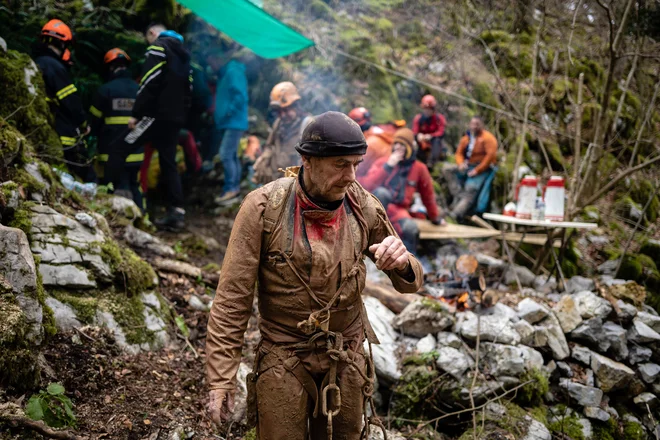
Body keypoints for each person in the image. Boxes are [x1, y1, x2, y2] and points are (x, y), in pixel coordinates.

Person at [207, 112, 424, 439]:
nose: (351, 175)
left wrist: (402, 262)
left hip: (345, 356)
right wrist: (221, 379)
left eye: (356, 163)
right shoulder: (264, 208)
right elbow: (231, 300)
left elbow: (411, 280)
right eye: (340, 164)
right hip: (284, 356)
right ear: (307, 160)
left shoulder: (363, 206)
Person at [105, 23, 192, 231]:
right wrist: (180, 117)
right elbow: (189, 90)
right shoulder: (184, 56)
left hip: (153, 116)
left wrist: (137, 114)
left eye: (148, 38)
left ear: (153, 33)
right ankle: (177, 213)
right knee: (168, 162)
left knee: (119, 147)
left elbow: (148, 82)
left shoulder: (158, 47)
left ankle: (107, 194)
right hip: (174, 120)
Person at [360, 128, 441, 255]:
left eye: (402, 144)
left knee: (410, 229)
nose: (398, 147)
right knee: (382, 193)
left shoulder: (419, 168)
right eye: (396, 143)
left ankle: (407, 265)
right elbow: (366, 185)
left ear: (410, 148)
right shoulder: (383, 161)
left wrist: (435, 218)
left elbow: (428, 196)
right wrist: (388, 167)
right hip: (377, 208)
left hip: (397, 210)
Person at [34, 19, 94, 181]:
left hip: (46, 125)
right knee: (81, 167)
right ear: (62, 44)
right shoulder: (55, 67)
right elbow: (70, 100)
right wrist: (83, 122)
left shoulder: (38, 61)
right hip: (61, 128)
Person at [88, 48, 143, 208]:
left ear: (110, 68)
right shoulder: (139, 90)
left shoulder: (105, 90)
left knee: (112, 191)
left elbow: (93, 124)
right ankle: (143, 221)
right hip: (136, 155)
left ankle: (118, 226)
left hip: (110, 156)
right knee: (134, 187)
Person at [204, 50, 249, 206]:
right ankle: (233, 188)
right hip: (230, 122)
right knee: (231, 155)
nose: (211, 66)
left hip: (234, 122)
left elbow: (240, 96)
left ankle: (231, 188)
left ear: (219, 58)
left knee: (225, 154)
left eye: (212, 62)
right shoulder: (226, 73)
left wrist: (228, 112)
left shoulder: (233, 71)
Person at [252, 81, 312, 185]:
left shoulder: (308, 125)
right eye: (279, 111)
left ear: (296, 106)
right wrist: (263, 161)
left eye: (286, 110)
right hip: (277, 182)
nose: (282, 115)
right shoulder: (279, 124)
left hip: (298, 185)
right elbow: (270, 146)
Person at [443, 117, 498, 221]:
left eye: (477, 124)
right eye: (472, 124)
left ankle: (456, 213)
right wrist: (460, 164)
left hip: (482, 168)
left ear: (481, 125)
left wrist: (477, 170)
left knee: (470, 188)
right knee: (447, 170)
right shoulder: (466, 138)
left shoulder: (488, 138)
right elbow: (459, 153)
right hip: (467, 165)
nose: (474, 126)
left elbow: (490, 157)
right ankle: (458, 194)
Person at [348, 107, 395, 179]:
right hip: (388, 177)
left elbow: (357, 171)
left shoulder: (369, 144)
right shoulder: (381, 133)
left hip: (376, 181)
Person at [412, 94, 447, 168]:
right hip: (422, 143)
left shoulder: (439, 118)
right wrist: (418, 135)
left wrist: (431, 136)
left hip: (434, 143)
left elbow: (441, 132)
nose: (427, 111)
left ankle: (431, 163)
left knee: (437, 140)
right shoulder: (418, 118)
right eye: (425, 108)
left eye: (429, 109)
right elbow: (414, 131)